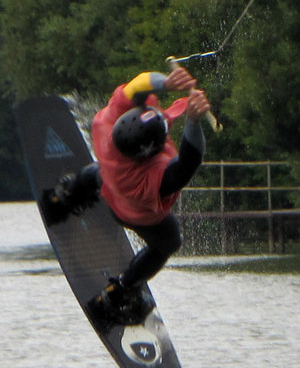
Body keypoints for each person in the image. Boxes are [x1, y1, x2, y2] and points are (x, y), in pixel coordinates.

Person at [41, 65, 212, 326]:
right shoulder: (149, 179)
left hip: (108, 182)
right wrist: (193, 121)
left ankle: (66, 195)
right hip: (133, 214)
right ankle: (121, 290)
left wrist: (167, 82)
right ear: (149, 152)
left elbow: (138, 85)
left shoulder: (109, 124)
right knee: (168, 242)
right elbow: (188, 163)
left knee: (98, 171)